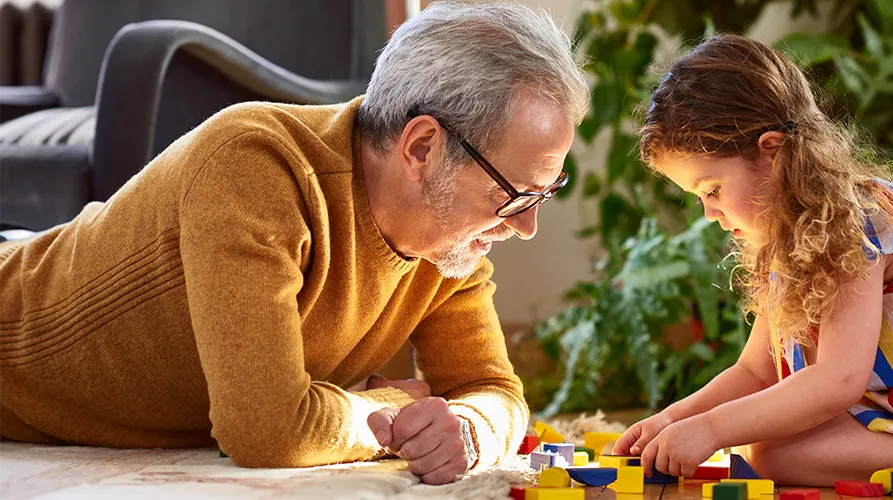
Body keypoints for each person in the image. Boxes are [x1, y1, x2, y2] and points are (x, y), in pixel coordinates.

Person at [0, 1, 589, 485]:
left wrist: (468, 428)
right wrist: (392, 408)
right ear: (421, 149)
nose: (526, 225)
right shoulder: (255, 167)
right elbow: (267, 429)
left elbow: (493, 390)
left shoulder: (448, 243)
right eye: (515, 194)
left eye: (546, 192)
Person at [614, 34, 893, 495]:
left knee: (772, 444)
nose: (709, 214)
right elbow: (755, 372)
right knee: (771, 452)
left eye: (712, 190)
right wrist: (673, 419)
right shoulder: (787, 237)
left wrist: (712, 430)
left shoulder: (855, 221)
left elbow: (837, 380)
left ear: (772, 152)